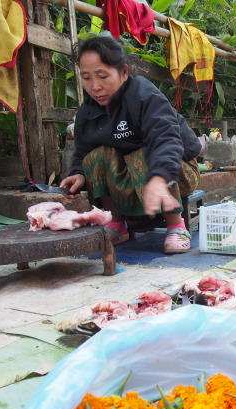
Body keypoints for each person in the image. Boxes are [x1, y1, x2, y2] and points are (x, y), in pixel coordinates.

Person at [60, 35, 201, 253]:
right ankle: (116, 225)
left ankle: (176, 226)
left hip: (176, 167)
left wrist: (160, 177)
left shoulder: (145, 96)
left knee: (143, 153)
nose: (95, 86)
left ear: (124, 73)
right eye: (86, 78)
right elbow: (83, 152)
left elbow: (165, 140)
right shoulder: (86, 113)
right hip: (128, 174)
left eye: (103, 76)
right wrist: (79, 173)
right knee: (96, 157)